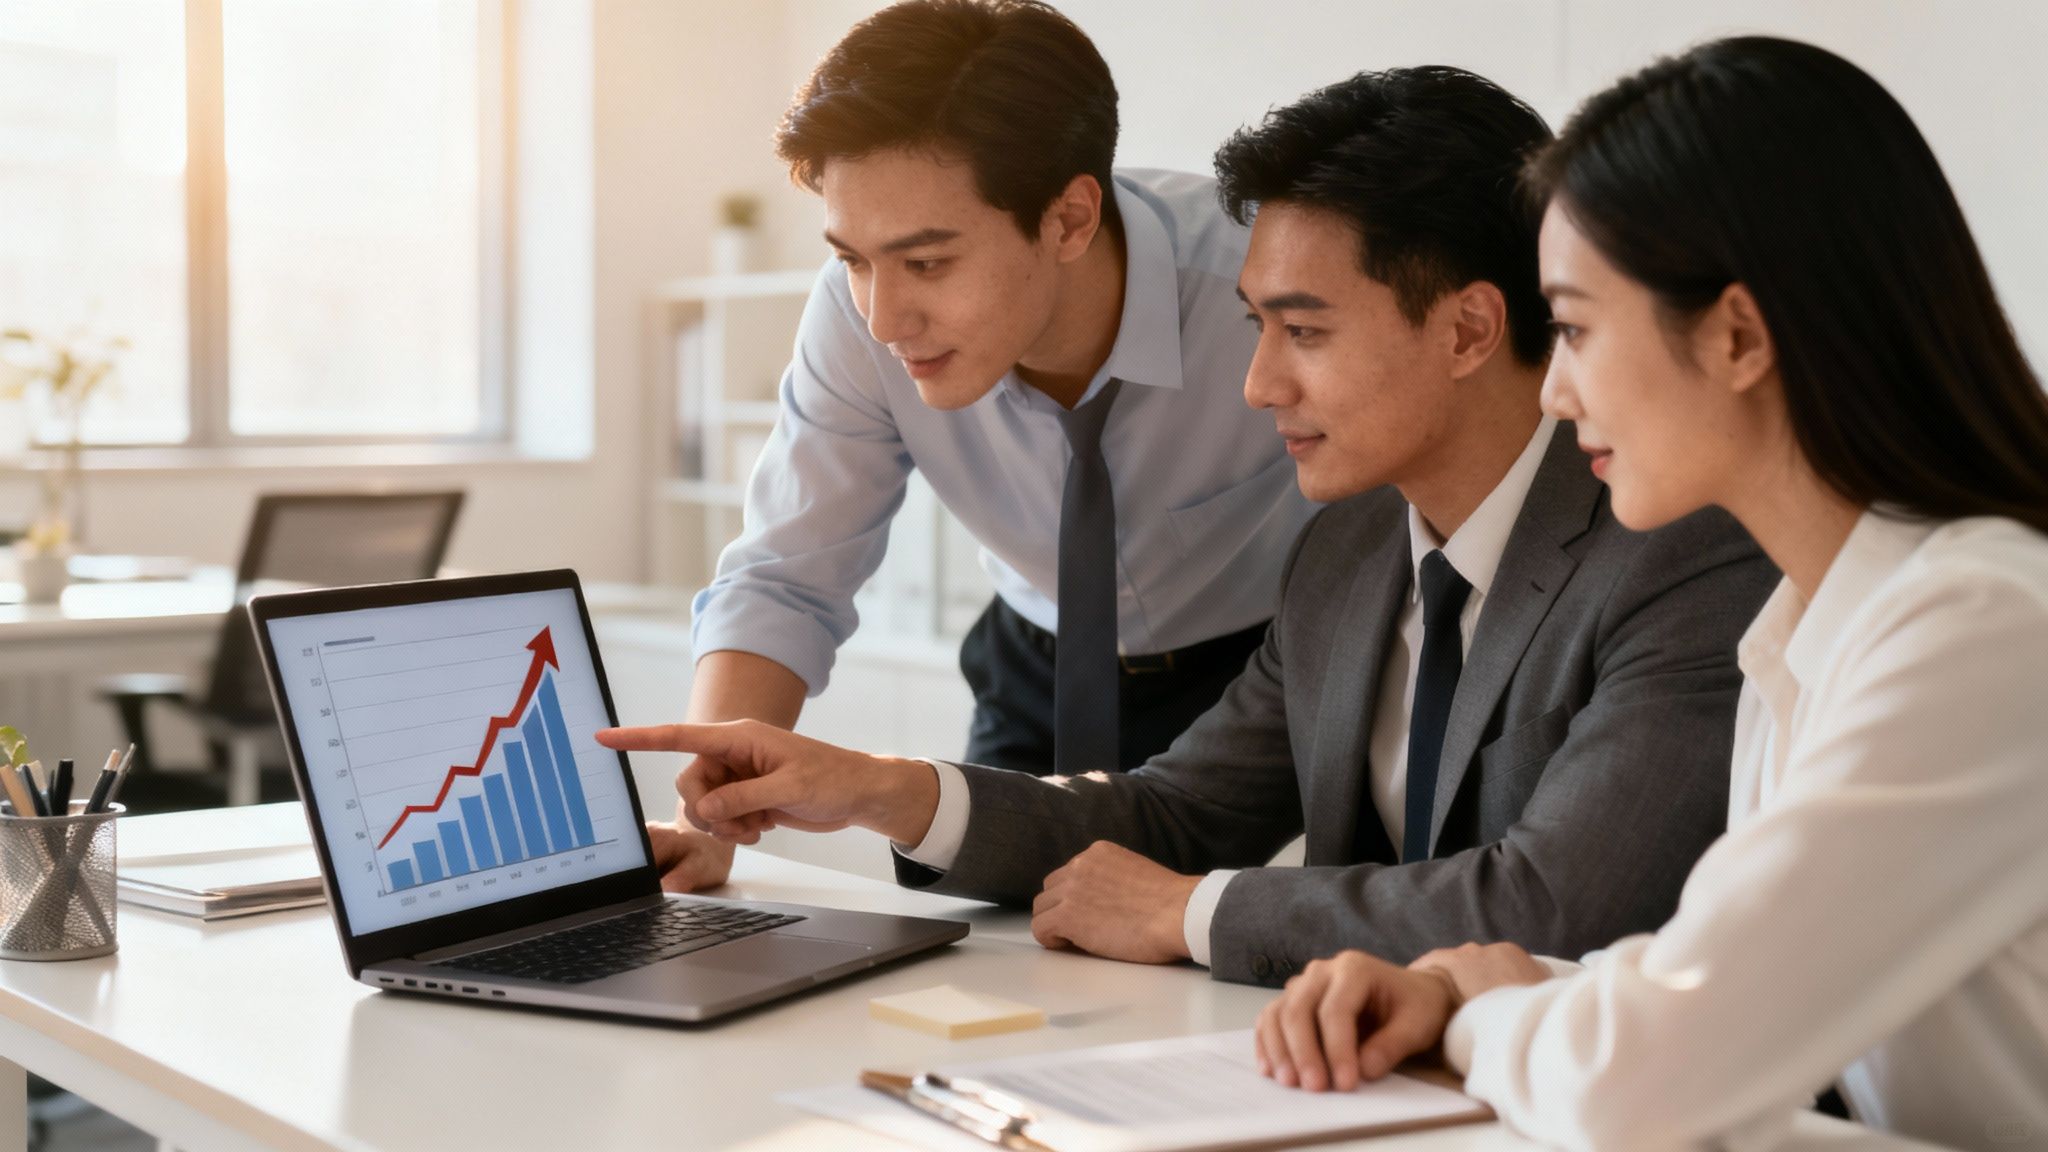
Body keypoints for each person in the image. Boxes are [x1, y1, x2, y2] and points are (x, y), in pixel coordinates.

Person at [601, 67, 1776, 984]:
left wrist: (1192, 911)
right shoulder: (1350, 551)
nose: (1256, 386)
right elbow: (1176, 809)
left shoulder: (1682, 550)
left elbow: (1554, 906)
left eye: (1302, 332)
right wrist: (879, 790)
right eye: (1255, 328)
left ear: (1469, 329)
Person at [1250, 37, 2048, 1152]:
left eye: (1574, 329)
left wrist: (1480, 1017)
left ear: (1736, 336)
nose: (1554, 389)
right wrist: (1463, 987)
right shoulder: (1809, 629)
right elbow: (1723, 987)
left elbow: (1645, 1084)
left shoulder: (1979, 628)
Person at [657, 0, 1317, 891]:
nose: (884, 319)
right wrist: (708, 823)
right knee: (991, 928)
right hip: (1037, 659)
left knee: (1216, 944)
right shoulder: (856, 315)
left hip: (1255, 669)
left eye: (927, 263)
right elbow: (785, 574)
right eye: (853, 258)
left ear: (1070, 219)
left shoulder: (1263, 287)